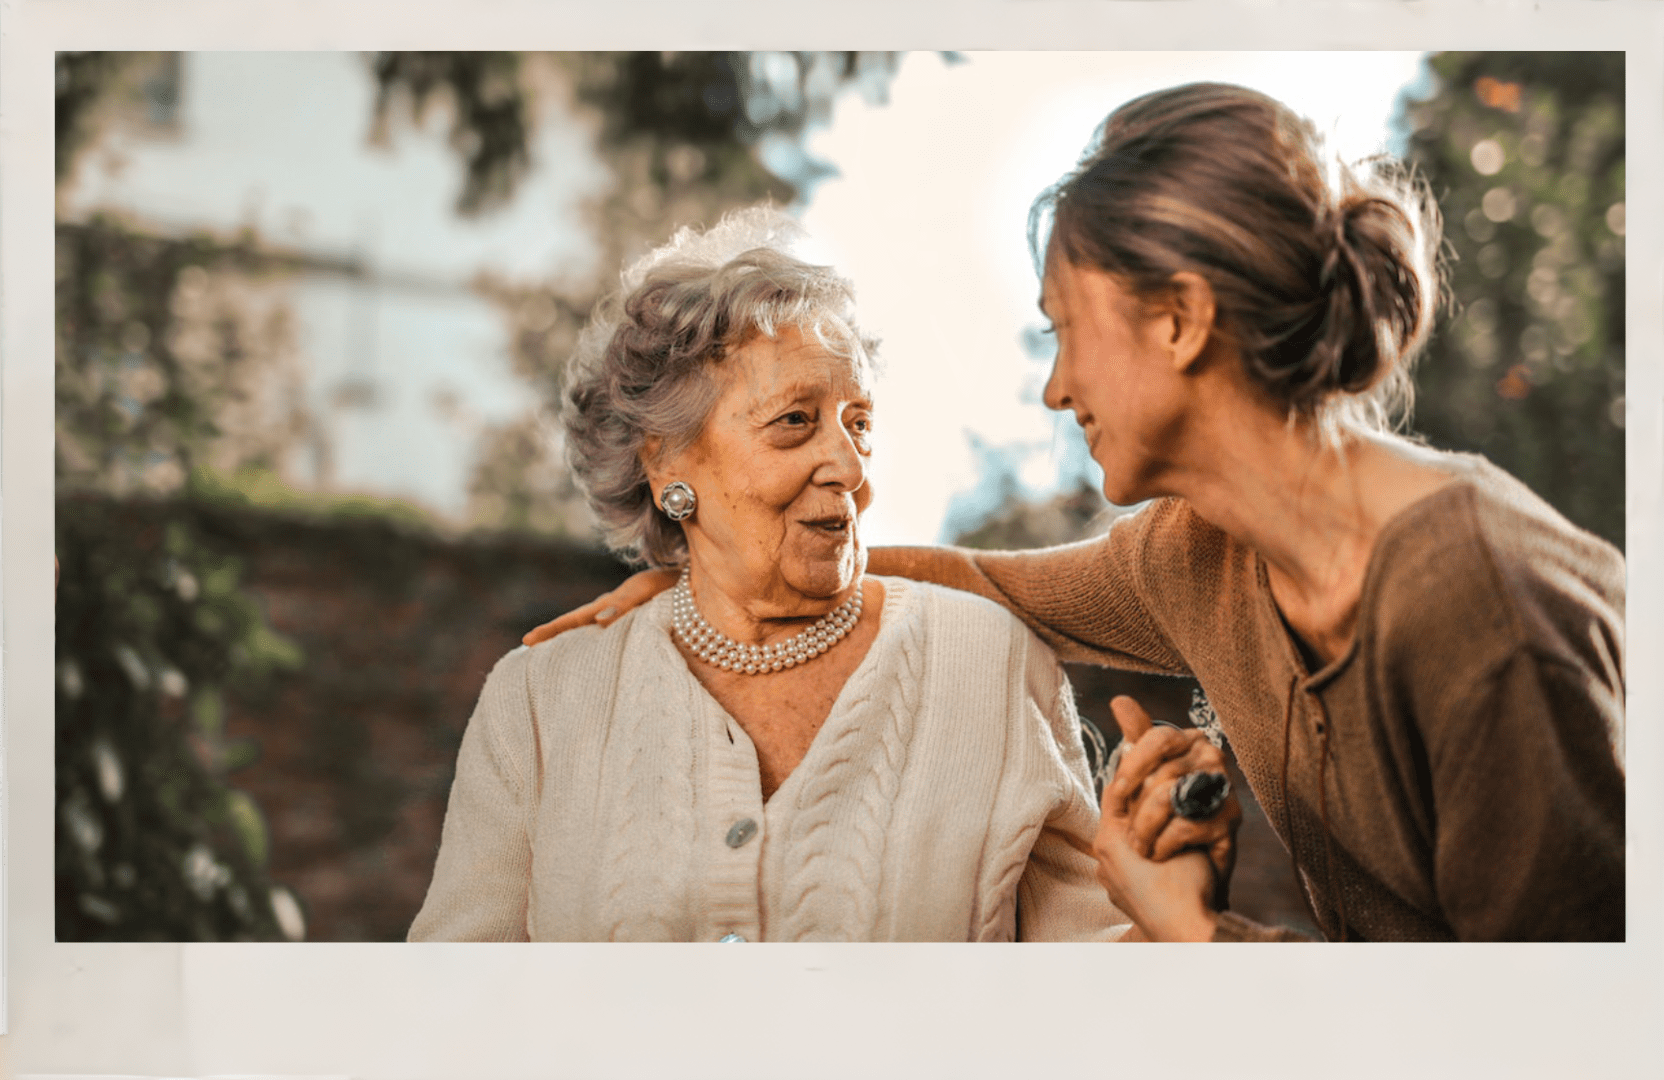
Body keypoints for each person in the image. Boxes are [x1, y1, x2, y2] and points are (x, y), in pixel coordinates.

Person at [528, 84, 1626, 942]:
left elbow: (1561, 1030)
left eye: (1062, 328)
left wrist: (1196, 934)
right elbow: (979, 582)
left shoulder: (1477, 606)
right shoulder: (1200, 554)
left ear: (1180, 321)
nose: (1054, 388)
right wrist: (717, 571)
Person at [409, 208, 1127, 942]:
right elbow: (459, 1007)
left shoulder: (993, 666)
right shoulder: (538, 702)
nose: (850, 467)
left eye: (860, 424)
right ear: (666, 462)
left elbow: (1092, 988)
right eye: (795, 422)